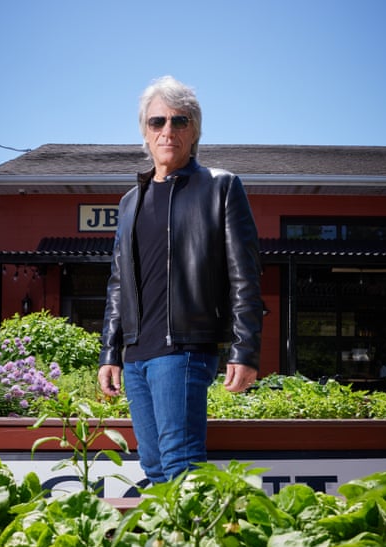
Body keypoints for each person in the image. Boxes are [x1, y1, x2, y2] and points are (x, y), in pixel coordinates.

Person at [98, 76, 262, 484]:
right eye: (158, 122)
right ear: (145, 131)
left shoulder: (220, 187)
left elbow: (244, 274)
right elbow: (118, 282)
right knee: (154, 469)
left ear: (194, 131)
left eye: (179, 121)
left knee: (180, 468)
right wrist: (110, 352)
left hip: (183, 349)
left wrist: (245, 350)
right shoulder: (130, 200)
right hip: (136, 356)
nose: (167, 131)